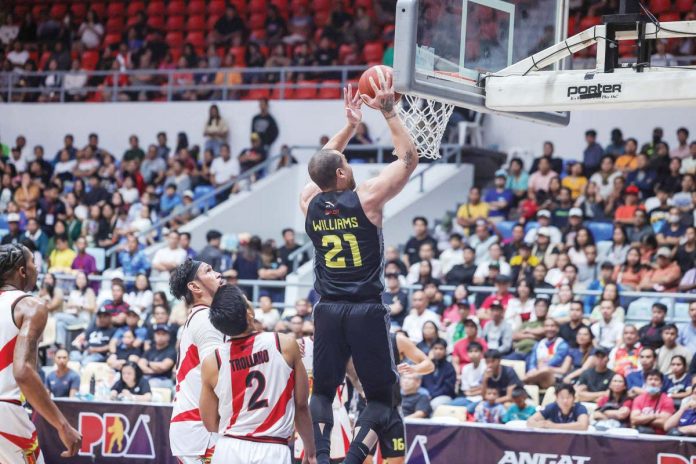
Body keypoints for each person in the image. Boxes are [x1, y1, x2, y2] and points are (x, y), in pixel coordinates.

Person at [299, 77, 416, 464]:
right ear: (342, 176)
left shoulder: (309, 203)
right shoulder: (366, 198)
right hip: (366, 308)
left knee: (322, 391)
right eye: (346, 164)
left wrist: (349, 127)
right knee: (382, 399)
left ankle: (319, 457)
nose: (348, 164)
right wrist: (386, 111)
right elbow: (408, 159)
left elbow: (321, 166)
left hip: (327, 309)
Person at [199, 285, 316, 464]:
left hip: (230, 447)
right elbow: (301, 405)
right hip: (272, 448)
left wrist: (241, 427)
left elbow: (209, 422)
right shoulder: (283, 344)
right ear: (250, 313)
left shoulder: (212, 362)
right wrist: (310, 449)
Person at [0, 244, 81, 460]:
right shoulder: (29, 305)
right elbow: (23, 371)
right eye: (33, 263)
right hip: (5, 411)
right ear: (22, 271)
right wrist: (63, 426)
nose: (37, 268)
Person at [168, 259, 225, 464]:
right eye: (209, 271)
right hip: (199, 426)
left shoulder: (203, 317)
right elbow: (216, 374)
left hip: (196, 424)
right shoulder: (206, 320)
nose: (218, 273)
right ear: (194, 286)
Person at [523, 319, 569, 388]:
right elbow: (532, 361)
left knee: (545, 369)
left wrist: (543, 366)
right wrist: (533, 369)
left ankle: (521, 381)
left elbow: (557, 359)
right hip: (537, 374)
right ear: (544, 328)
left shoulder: (562, 344)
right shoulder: (538, 344)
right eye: (547, 326)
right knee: (531, 371)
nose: (549, 328)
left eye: (552, 326)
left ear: (557, 329)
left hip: (554, 376)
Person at [630, 369, 674, 434]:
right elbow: (634, 420)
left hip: (659, 437)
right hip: (640, 435)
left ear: (661, 384)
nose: (653, 382)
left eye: (656, 379)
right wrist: (655, 416)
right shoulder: (638, 399)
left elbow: (664, 422)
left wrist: (641, 419)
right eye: (650, 379)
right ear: (645, 383)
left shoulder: (667, 400)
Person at [421, 339, 456, 410]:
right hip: (426, 396)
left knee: (433, 405)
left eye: (441, 349)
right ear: (431, 350)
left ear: (445, 351)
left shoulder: (449, 367)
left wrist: (432, 395)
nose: (438, 351)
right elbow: (422, 384)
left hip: (444, 396)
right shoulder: (427, 365)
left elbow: (448, 389)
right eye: (435, 348)